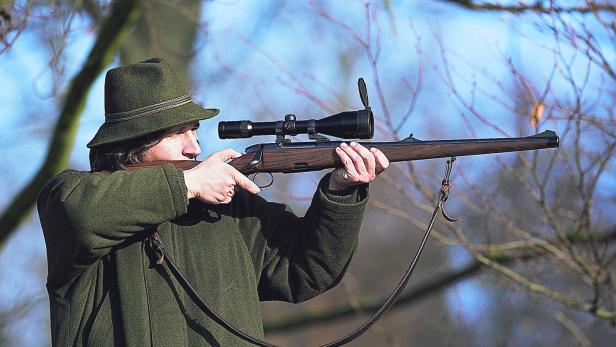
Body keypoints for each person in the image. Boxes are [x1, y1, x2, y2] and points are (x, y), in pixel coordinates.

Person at [37, 58, 389, 346]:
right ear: (136, 140)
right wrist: (187, 183)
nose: (194, 147)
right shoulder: (72, 196)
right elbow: (78, 212)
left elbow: (305, 269)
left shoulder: (231, 209)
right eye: (179, 133)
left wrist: (340, 192)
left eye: (194, 131)